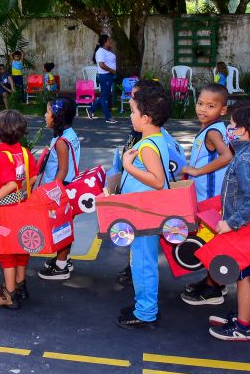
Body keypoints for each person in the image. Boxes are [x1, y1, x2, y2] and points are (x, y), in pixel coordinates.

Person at [205, 102, 250, 341]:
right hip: (248, 228)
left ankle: (243, 327)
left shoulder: (246, 160)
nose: (229, 127)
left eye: (233, 125)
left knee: (244, 277)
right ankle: (241, 316)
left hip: (243, 229)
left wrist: (232, 222)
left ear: (244, 131)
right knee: (247, 276)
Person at [117, 84, 172, 329]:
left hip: (145, 216)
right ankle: (143, 305)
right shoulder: (156, 139)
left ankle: (146, 312)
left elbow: (158, 181)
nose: (130, 116)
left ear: (146, 118)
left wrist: (128, 167)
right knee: (142, 261)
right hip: (143, 213)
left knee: (142, 263)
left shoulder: (147, 146)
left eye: (132, 112)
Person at [178, 84, 233, 305]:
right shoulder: (211, 128)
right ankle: (215, 281)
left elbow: (226, 156)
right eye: (200, 103)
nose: (203, 109)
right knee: (211, 241)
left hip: (210, 199)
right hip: (208, 196)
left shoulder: (212, 130)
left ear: (222, 110)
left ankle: (214, 289)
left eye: (211, 106)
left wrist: (198, 171)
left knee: (211, 242)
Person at [0, 110, 39, 309]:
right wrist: (22, 190)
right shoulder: (24, 152)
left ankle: (9, 294)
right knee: (21, 247)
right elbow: (32, 177)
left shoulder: (1, 158)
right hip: (22, 206)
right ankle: (20, 284)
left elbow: (7, 185)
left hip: (5, 210)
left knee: (6, 250)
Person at [38, 98, 81, 281]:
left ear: (57, 117)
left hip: (61, 189)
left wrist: (54, 194)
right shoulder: (69, 134)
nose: (45, 115)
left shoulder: (61, 141)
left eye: (48, 112)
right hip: (69, 187)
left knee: (61, 228)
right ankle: (65, 259)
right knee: (66, 225)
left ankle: (61, 267)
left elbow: (62, 170)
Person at [89, 34, 117, 123]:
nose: (110, 42)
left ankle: (91, 109)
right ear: (105, 42)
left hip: (108, 76)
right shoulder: (101, 51)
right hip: (105, 76)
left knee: (104, 96)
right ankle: (108, 117)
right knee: (104, 97)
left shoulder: (105, 51)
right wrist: (112, 70)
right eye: (109, 40)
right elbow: (101, 65)